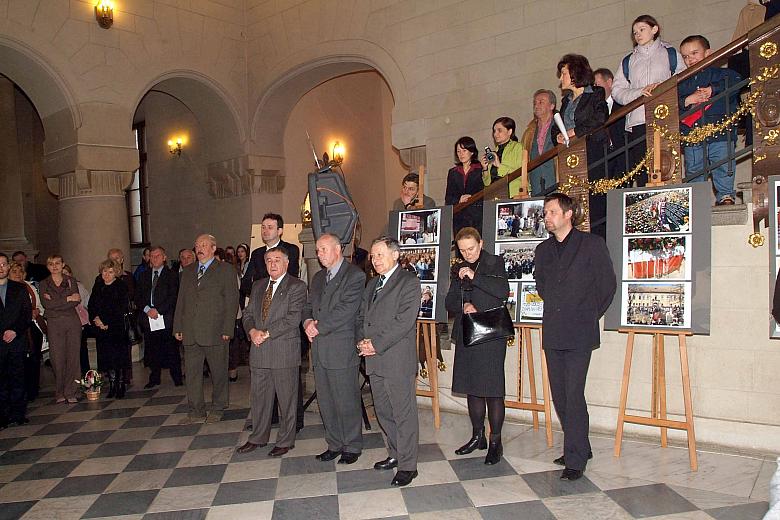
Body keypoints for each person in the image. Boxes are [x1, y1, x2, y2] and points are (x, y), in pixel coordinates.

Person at [534, 193, 617, 481]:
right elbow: (542, 284)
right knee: (559, 394)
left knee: (573, 393)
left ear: (569, 214)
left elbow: (607, 285)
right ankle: (580, 445)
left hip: (580, 330)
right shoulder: (543, 250)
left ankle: (575, 458)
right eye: (545, 212)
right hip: (555, 329)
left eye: (553, 212)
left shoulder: (591, 244)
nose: (547, 217)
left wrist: (587, 313)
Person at [356, 236, 421, 487]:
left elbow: (404, 322)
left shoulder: (408, 282)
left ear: (395, 255)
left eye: (380, 254)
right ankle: (395, 453)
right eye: (373, 256)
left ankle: (408, 465)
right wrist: (362, 340)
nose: (375, 260)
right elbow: (362, 316)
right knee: (383, 411)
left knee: (403, 413)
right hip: (374, 359)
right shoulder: (372, 284)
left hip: (396, 359)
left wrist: (376, 344)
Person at [445, 227, 510, 465]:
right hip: (468, 331)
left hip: (491, 333)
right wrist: (464, 304)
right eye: (462, 250)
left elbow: (502, 292)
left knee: (492, 389)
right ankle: (477, 436)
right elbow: (449, 301)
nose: (467, 254)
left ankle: (496, 441)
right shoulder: (457, 268)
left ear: (480, 243)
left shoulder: (494, 262)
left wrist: (474, 277)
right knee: (472, 386)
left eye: (471, 249)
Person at [302, 233, 366, 464]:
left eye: (323, 250)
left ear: (337, 249)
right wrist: (307, 322)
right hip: (319, 349)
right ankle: (334, 443)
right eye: (318, 250)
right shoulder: (318, 278)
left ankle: (352, 445)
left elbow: (346, 310)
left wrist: (318, 328)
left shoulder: (355, 275)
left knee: (346, 399)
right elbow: (307, 306)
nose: (319, 255)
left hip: (341, 348)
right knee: (327, 400)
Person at [238, 247, 307, 456]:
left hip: (283, 350)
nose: (273, 264)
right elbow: (247, 314)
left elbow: (293, 319)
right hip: (258, 350)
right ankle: (258, 437)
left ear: (287, 263)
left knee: (286, 400)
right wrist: (251, 331)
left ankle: (286, 440)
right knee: (259, 399)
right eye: (269, 260)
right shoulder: (258, 286)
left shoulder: (297, 286)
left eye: (277, 260)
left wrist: (265, 333)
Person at [611, 14, 685, 186]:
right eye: (634, 32)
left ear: (654, 29)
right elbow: (617, 90)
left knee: (667, 161)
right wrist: (639, 92)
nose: (637, 34)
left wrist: (662, 87)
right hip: (638, 119)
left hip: (665, 115)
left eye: (641, 29)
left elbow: (682, 77)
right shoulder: (628, 60)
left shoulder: (670, 54)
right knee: (643, 167)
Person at [173, 234, 239, 424]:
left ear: (213, 248)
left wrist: (228, 328)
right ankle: (196, 410)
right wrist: (178, 326)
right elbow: (181, 300)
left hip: (215, 330)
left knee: (218, 372)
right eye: (197, 245)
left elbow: (231, 301)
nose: (199, 248)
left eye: (204, 245)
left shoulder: (225, 270)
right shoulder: (188, 271)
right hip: (191, 331)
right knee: (192, 374)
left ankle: (218, 407)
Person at [678, 35, 742, 205]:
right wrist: (687, 100)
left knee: (723, 165)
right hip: (692, 134)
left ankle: (726, 195)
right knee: (694, 169)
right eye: (685, 56)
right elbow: (670, 102)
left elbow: (737, 82)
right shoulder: (681, 82)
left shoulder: (723, 74)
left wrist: (713, 89)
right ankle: (697, 202)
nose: (690, 59)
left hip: (719, 132)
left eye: (694, 53)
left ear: (708, 53)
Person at [552, 54, 610, 237]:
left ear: (575, 74)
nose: (561, 78)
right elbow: (556, 127)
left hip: (592, 153)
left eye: (563, 73)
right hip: (571, 157)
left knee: (594, 203)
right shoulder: (566, 101)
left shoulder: (596, 93)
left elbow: (600, 118)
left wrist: (574, 132)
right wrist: (558, 137)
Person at [135, 246, 182, 388]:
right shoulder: (144, 275)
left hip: (165, 317)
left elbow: (173, 297)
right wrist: (147, 309)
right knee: (152, 349)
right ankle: (154, 377)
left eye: (157, 256)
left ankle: (177, 377)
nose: (154, 258)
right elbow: (138, 296)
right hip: (148, 318)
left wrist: (158, 310)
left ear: (164, 257)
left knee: (171, 349)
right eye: (152, 256)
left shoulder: (171, 275)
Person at [39, 255, 83, 403]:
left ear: (63, 264)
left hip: (72, 321)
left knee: (73, 356)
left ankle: (72, 391)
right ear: (47, 266)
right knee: (57, 358)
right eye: (51, 264)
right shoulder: (44, 283)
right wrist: (66, 299)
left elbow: (76, 301)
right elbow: (47, 305)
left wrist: (59, 302)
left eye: (57, 263)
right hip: (53, 322)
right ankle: (59, 391)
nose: (55, 266)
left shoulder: (70, 281)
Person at [89, 260, 130, 399]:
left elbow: (120, 307)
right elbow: (92, 305)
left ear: (116, 273)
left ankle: (120, 385)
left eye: (110, 271)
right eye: (105, 271)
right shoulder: (98, 286)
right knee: (107, 358)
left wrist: (106, 321)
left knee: (118, 357)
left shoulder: (121, 286)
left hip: (116, 327)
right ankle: (112, 384)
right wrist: (96, 319)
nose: (107, 274)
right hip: (101, 328)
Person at [0, 253, 32, 428]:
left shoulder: (19, 289)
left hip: (16, 339)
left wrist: (14, 330)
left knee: (18, 378)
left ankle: (18, 414)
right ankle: (3, 415)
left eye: (4, 264)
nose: (1, 268)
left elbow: (26, 314)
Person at [9, 262, 45, 402]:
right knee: (21, 361)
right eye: (14, 271)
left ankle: (33, 389)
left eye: (20, 271)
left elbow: (40, 304)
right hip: (18, 328)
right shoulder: (8, 289)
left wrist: (37, 311)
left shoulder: (29, 286)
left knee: (34, 359)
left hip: (33, 325)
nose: (17, 273)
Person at [521, 89, 558, 196]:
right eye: (535, 103)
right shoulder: (530, 131)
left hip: (555, 176)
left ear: (552, 106)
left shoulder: (559, 125)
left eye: (541, 102)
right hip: (535, 180)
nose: (536, 105)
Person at [445, 136, 485, 234]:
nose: (461, 154)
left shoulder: (481, 169)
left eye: (464, 150)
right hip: (459, 217)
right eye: (458, 151)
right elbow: (448, 198)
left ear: (472, 152)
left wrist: (472, 198)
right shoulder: (452, 172)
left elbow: (486, 192)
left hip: (477, 215)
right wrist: (459, 199)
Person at [481, 117, 524, 197]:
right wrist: (485, 169)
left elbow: (521, 172)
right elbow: (487, 183)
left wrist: (499, 165)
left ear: (509, 131)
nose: (495, 134)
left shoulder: (518, 147)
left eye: (499, 130)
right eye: (494, 131)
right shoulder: (494, 152)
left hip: (513, 194)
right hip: (494, 194)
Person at [62, 264, 91, 377]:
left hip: (80, 321)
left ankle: (85, 374)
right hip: (64, 322)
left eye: (66, 273)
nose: (65, 276)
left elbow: (85, 303)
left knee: (81, 349)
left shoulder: (78, 286)